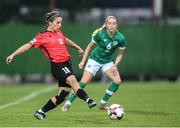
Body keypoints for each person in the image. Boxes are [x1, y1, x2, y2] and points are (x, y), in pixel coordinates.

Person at [6, 11, 96, 120]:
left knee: (62, 96)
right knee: (73, 80)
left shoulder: (58, 32)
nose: (60, 25)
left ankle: (40, 111)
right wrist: (13, 55)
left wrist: (78, 47)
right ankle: (88, 100)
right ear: (50, 22)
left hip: (67, 64)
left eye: (61, 23)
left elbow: (65, 40)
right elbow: (27, 46)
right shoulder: (41, 36)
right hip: (57, 65)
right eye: (58, 23)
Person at [61, 16, 127, 112]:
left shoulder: (120, 38)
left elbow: (120, 54)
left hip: (108, 62)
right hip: (94, 60)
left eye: (114, 23)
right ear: (106, 25)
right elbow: (89, 47)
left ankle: (103, 103)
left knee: (117, 81)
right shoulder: (100, 34)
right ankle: (68, 103)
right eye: (110, 23)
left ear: (116, 25)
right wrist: (83, 61)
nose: (112, 25)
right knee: (83, 82)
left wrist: (115, 65)